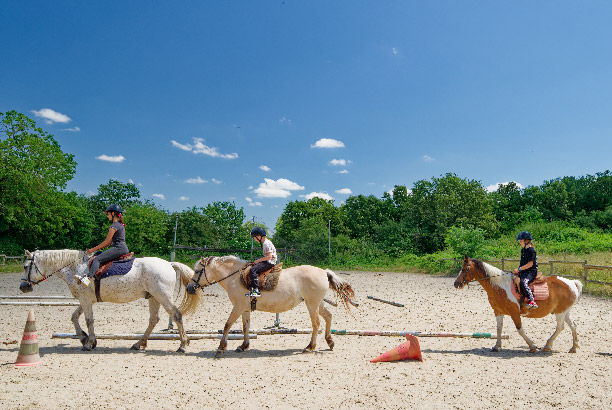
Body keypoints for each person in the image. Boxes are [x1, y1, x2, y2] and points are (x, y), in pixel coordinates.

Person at [75, 204, 129, 287]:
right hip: (121, 248)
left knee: (97, 259)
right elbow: (109, 242)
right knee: (99, 253)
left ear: (113, 213)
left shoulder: (114, 226)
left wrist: (92, 249)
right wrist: (97, 249)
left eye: (108, 214)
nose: (107, 216)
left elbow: (106, 242)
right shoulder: (119, 225)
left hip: (119, 248)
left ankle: (88, 278)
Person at [247, 226, 277, 297]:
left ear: (259, 236)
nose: (255, 240)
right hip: (269, 261)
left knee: (253, 270)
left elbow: (269, 256)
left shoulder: (266, 243)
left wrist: (258, 261)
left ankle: (256, 290)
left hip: (269, 262)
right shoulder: (267, 242)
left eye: (255, 238)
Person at [512, 231, 538, 309]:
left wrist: (519, 269)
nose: (520, 242)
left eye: (521, 241)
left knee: (523, 282)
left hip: (531, 272)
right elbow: (522, 263)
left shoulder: (531, 250)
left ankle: (532, 300)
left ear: (526, 241)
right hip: (524, 271)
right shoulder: (523, 250)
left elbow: (530, 264)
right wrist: (518, 270)